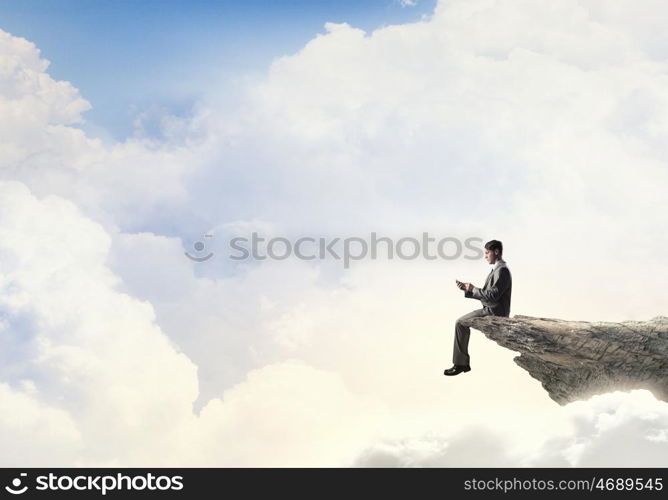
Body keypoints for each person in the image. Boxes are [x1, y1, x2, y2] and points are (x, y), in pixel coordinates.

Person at [444, 239, 512, 376]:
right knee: (460, 323)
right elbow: (489, 296)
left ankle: (461, 364)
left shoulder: (502, 271)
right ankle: (462, 363)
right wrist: (468, 290)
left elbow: (492, 296)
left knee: (460, 323)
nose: (485, 256)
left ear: (496, 252)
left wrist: (473, 289)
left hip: (494, 313)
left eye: (487, 253)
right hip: (489, 309)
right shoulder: (496, 270)